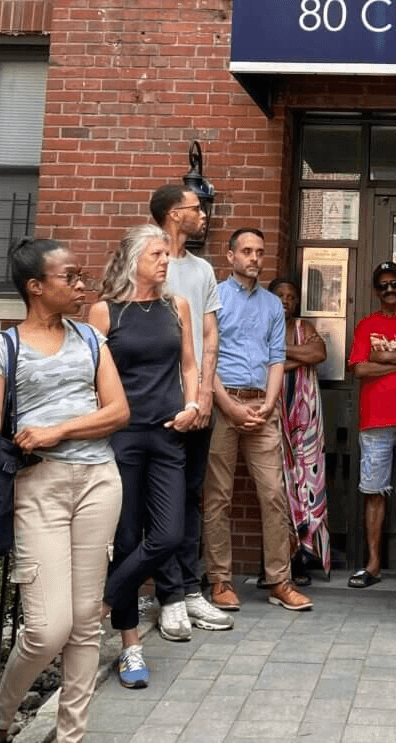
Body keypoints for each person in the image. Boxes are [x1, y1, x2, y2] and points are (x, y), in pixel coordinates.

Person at [0, 237, 129, 742]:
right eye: (71, 277)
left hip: (98, 482)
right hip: (39, 486)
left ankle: (70, 736)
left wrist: (59, 430)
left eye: (82, 276)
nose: (82, 285)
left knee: (85, 622)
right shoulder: (2, 346)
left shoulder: (90, 340)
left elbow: (118, 412)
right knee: (46, 628)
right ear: (35, 286)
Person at [88, 224, 202, 687]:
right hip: (123, 438)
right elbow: (91, 377)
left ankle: (103, 604)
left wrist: (193, 405)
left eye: (165, 254)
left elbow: (189, 365)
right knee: (129, 538)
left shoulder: (178, 307)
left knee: (169, 535)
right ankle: (130, 648)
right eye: (156, 254)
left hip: (169, 435)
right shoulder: (104, 312)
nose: (164, 260)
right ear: (133, 259)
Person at [203, 228, 313, 612]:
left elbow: (277, 357)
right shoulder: (214, 297)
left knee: (274, 494)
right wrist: (228, 405)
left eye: (259, 252)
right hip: (223, 405)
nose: (254, 257)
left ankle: (279, 581)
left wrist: (268, 404)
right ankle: (220, 581)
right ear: (230, 255)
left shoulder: (271, 304)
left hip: (262, 407)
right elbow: (205, 356)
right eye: (246, 251)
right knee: (218, 496)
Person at [148, 185, 234, 637]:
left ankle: (187, 589)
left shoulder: (201, 270)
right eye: (196, 209)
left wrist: (202, 396)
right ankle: (168, 596)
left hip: (197, 404)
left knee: (192, 497)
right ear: (172, 214)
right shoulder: (143, 261)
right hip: (158, 404)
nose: (203, 216)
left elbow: (211, 338)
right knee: (162, 502)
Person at [346, 261, 396, 591]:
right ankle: (373, 563)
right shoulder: (366, 326)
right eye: (383, 285)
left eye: (395, 284)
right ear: (376, 291)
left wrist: (385, 358)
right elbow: (359, 370)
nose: (389, 290)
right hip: (375, 421)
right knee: (373, 492)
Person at [269, 277, 330, 583]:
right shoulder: (261, 325)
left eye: (291, 296)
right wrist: (295, 355)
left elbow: (318, 354)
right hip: (273, 413)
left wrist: (279, 356)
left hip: (304, 419)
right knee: (277, 485)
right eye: (280, 295)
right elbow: (258, 362)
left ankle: (305, 552)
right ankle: (282, 557)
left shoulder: (304, 327)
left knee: (307, 480)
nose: (286, 300)